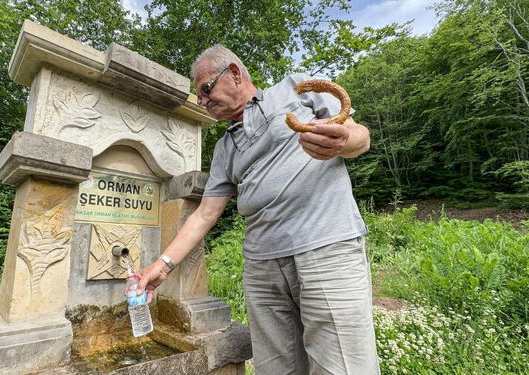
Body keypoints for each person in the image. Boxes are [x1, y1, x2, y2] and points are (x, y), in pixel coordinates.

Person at [136, 44, 379, 375]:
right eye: (201, 98)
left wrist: (344, 142)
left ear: (234, 73)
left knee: (343, 367)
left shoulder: (296, 88)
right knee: (275, 369)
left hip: (325, 249)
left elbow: (359, 135)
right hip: (262, 269)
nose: (204, 102)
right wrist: (160, 267)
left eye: (206, 90)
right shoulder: (224, 148)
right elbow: (205, 214)